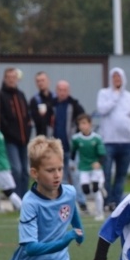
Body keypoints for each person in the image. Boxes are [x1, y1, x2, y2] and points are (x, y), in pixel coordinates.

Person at [96, 67, 130, 211]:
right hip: (109, 141)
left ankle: (116, 201)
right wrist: (115, 97)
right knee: (106, 173)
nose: (117, 80)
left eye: (119, 77)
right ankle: (107, 200)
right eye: (114, 77)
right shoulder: (104, 94)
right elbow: (102, 110)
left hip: (127, 143)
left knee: (121, 174)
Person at [52, 80, 87, 211]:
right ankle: (66, 203)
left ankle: (82, 202)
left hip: (72, 148)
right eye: (60, 90)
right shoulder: (52, 105)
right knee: (62, 177)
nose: (62, 92)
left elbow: (83, 120)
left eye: (64, 90)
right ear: (56, 91)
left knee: (76, 175)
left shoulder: (75, 105)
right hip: (57, 149)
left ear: (68, 91)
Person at [0, 67, 33, 198]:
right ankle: (16, 198)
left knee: (25, 171)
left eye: (14, 77)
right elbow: (2, 119)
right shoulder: (1, 95)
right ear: (5, 79)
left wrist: (28, 131)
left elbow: (27, 117)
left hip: (24, 139)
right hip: (10, 140)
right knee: (16, 169)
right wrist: (9, 133)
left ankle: (25, 198)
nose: (12, 80)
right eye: (9, 77)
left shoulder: (21, 95)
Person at [71, 113, 107, 220]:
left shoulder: (97, 138)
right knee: (86, 190)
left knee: (95, 189)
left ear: (90, 124)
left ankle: (99, 213)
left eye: (84, 123)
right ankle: (100, 187)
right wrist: (72, 164)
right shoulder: (76, 138)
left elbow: (103, 155)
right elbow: (73, 152)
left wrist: (99, 163)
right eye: (80, 124)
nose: (82, 126)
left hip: (95, 168)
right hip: (84, 168)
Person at [29, 71, 55, 137]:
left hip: (56, 135)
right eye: (38, 81)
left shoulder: (56, 98)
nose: (40, 83)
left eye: (43, 80)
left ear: (48, 81)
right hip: (41, 135)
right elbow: (32, 119)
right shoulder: (34, 100)